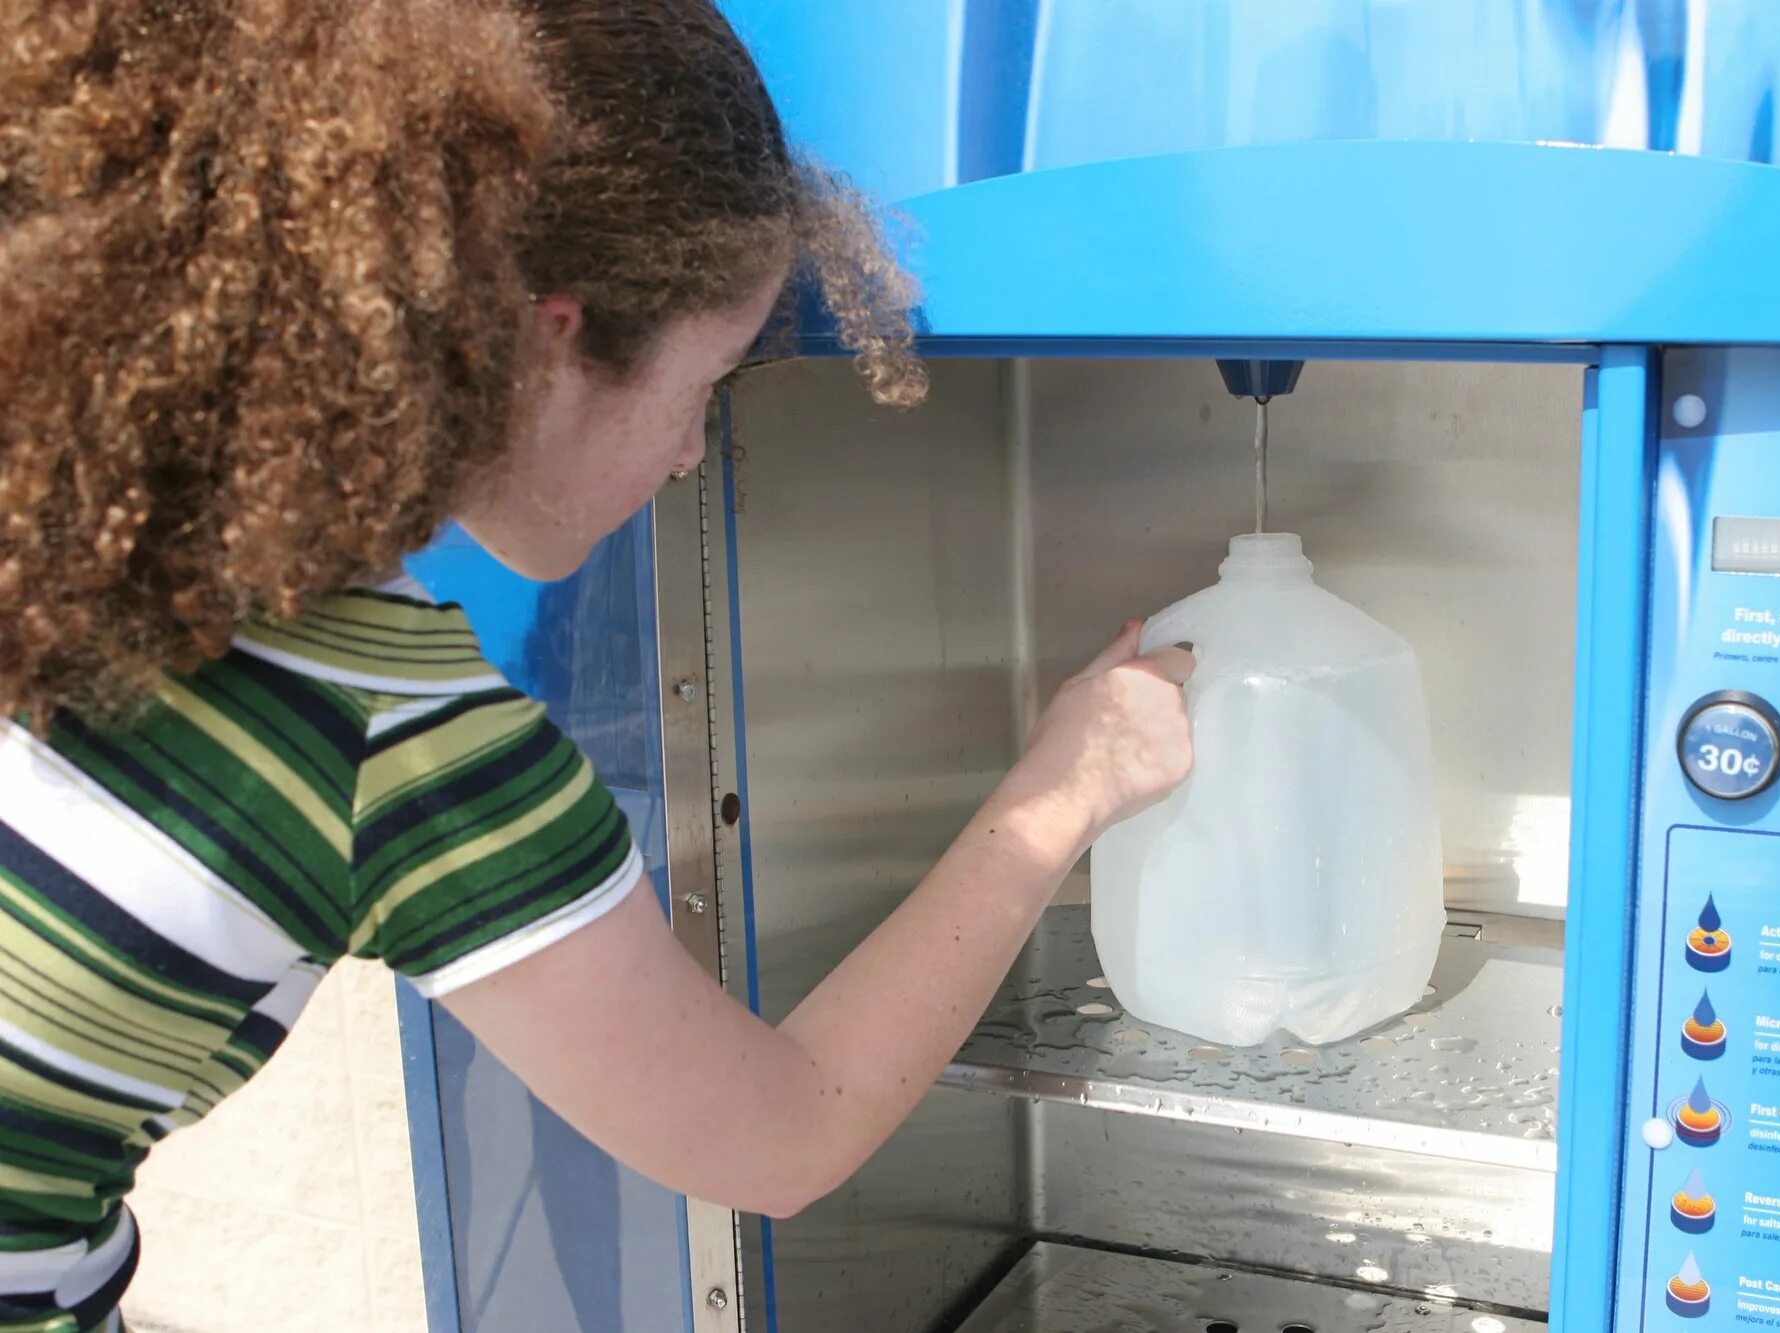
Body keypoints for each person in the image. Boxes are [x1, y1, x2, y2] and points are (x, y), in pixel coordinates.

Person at [0, 1, 1193, 1326]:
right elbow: (787, 1131)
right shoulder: (383, 728)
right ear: (555, 342)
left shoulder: (72, 464)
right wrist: (1062, 792)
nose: (693, 452)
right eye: (705, 385)